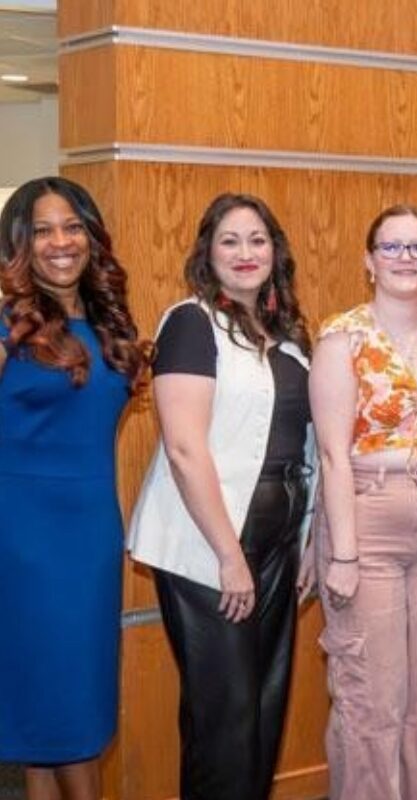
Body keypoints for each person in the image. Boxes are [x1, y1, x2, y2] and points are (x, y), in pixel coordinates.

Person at [127, 193, 315, 800]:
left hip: (279, 548)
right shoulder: (190, 322)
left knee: (262, 710)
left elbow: (303, 445)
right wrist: (228, 557)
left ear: (275, 252)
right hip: (212, 550)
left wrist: (309, 539)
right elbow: (184, 449)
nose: (244, 253)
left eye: (257, 240)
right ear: (207, 253)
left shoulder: (286, 336)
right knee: (225, 721)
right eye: (229, 240)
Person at [0, 177, 148, 800]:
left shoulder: (108, 319)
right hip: (20, 534)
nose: (60, 242)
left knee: (68, 699)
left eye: (72, 226)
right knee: (50, 702)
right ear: (20, 243)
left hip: (89, 530)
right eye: (41, 230)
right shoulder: (7, 321)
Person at [310, 204, 417, 800]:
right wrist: (342, 555)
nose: (405, 259)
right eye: (392, 248)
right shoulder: (342, 336)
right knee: (371, 695)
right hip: (366, 519)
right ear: (369, 260)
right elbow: (330, 454)